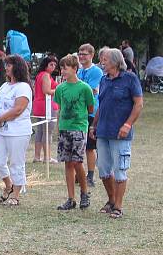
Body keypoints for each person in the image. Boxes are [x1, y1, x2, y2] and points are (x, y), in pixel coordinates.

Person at [91, 47, 143, 219]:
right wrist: (94, 125)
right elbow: (102, 104)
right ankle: (111, 200)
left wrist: (127, 124)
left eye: (104, 59)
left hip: (120, 133)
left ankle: (118, 207)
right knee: (104, 170)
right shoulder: (104, 80)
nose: (102, 62)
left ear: (114, 61)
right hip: (103, 132)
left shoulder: (130, 78)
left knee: (120, 170)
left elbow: (138, 104)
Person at [0, 55, 33, 207]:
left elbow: (18, 109)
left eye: (9, 65)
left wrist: (0, 119)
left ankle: (16, 195)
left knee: (16, 163)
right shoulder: (4, 86)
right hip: (1, 130)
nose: (6, 67)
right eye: (6, 65)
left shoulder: (24, 87)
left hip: (18, 131)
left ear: (17, 67)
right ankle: (9, 185)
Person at [54, 54, 95, 210]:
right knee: (68, 163)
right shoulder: (60, 88)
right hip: (65, 128)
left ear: (75, 68)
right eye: (61, 68)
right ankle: (71, 198)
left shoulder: (84, 88)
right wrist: (59, 126)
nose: (63, 71)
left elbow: (90, 108)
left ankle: (85, 193)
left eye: (66, 67)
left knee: (77, 161)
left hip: (79, 128)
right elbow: (60, 108)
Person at [77, 43, 103, 187]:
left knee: (89, 146)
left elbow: (92, 91)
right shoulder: (79, 71)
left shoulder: (96, 72)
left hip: (91, 112)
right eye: (80, 53)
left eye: (84, 54)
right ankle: (79, 173)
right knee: (79, 143)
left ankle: (90, 176)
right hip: (79, 112)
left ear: (92, 55)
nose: (81, 56)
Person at [31, 55, 59, 163]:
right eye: (51, 64)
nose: (53, 67)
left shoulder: (39, 75)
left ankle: (37, 156)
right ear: (46, 65)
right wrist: (59, 89)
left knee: (40, 131)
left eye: (54, 65)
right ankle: (47, 157)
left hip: (38, 104)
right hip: (47, 105)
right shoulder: (46, 75)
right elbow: (46, 90)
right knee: (48, 131)